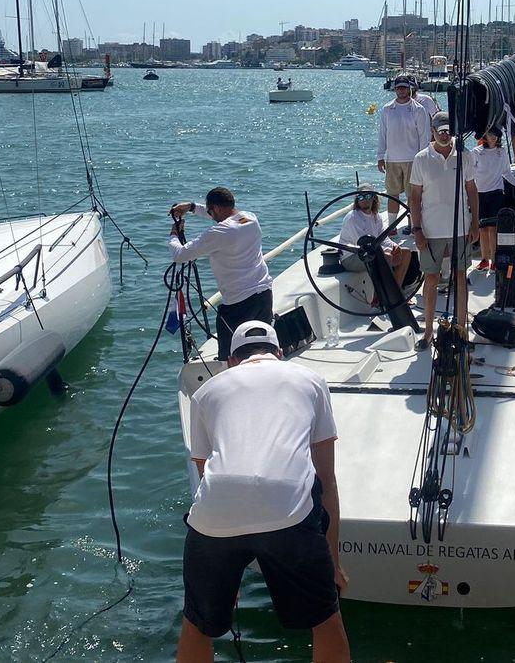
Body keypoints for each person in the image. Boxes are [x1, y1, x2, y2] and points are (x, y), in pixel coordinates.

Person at [177, 321, 350, 663]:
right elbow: (326, 480)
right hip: (289, 514)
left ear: (231, 361)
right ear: (280, 354)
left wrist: (230, 569)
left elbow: (206, 477)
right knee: (326, 621)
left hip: (214, 518)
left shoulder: (206, 392)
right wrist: (333, 563)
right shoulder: (310, 379)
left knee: (196, 624)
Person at [169, 187, 273, 362]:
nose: (211, 215)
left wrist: (174, 234)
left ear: (216, 208)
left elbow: (180, 255)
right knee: (262, 351)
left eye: (211, 211)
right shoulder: (250, 218)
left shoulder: (219, 233)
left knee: (231, 358)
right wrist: (192, 207)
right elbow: (224, 217)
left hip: (237, 305)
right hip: (263, 296)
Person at [409, 111, 480, 350]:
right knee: (431, 278)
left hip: (460, 228)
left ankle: (462, 330)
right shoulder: (421, 158)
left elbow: (471, 190)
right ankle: (428, 332)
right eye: (440, 130)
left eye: (448, 130)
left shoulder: (465, 155)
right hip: (430, 230)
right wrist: (416, 229)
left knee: (461, 277)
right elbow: (415, 197)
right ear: (432, 131)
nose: (444, 134)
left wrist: (475, 222)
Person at [471, 127, 515, 271]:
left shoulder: (501, 152)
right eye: (490, 134)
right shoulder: (476, 152)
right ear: (485, 136)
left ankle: (494, 259)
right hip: (480, 194)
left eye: (496, 135)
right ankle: (484, 258)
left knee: (493, 228)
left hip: (496, 192)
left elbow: (507, 173)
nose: (493, 137)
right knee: (482, 228)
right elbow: (469, 173)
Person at [377, 76, 432, 218]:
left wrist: (423, 159)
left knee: (412, 195)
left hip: (412, 160)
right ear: (395, 89)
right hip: (392, 160)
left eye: (404, 88)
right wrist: (380, 157)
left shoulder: (418, 109)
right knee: (392, 194)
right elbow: (382, 134)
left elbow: (424, 136)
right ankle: (391, 226)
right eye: (398, 88)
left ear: (409, 89)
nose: (401, 90)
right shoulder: (387, 109)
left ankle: (413, 225)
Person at [339, 185, 410, 288]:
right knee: (387, 256)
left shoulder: (376, 216)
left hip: (371, 253)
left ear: (374, 198)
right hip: (352, 257)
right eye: (361, 197)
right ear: (357, 200)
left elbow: (383, 238)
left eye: (368, 196)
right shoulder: (352, 218)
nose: (364, 200)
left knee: (406, 253)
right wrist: (388, 251)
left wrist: (394, 247)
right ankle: (384, 295)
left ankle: (396, 292)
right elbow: (363, 245)